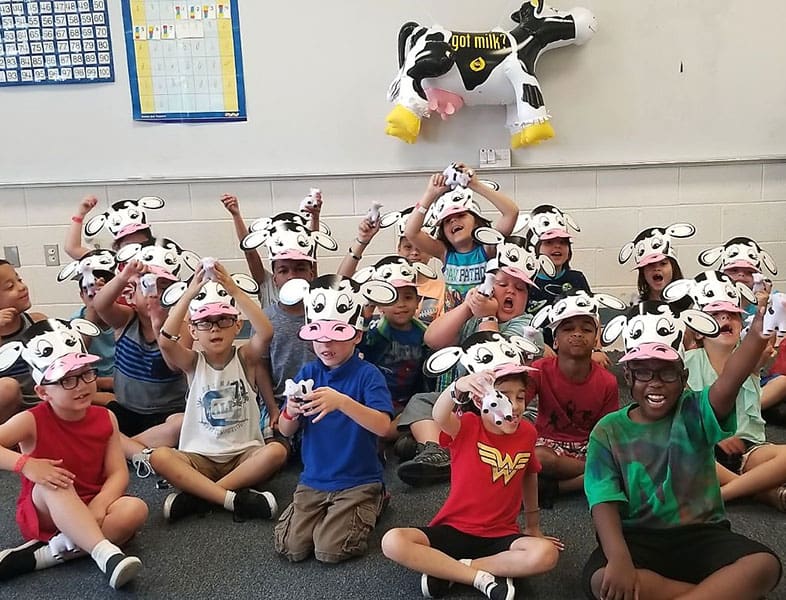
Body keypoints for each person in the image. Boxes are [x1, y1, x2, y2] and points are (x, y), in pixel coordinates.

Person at [582, 307, 782, 600]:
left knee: (765, 566)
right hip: (637, 538)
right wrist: (619, 558)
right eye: (642, 372)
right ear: (627, 376)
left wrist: (755, 336)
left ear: (683, 376)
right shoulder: (608, 430)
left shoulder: (696, 410)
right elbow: (603, 500)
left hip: (701, 534)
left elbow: (731, 380)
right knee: (603, 582)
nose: (655, 382)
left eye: (666, 372)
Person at [382, 365, 562, 600]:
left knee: (546, 554)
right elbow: (439, 415)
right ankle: (480, 578)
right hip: (455, 529)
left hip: (501, 534)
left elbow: (529, 474)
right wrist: (457, 387)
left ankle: (451, 570)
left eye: (520, 397)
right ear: (480, 401)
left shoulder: (527, 433)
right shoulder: (467, 426)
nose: (515, 406)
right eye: (504, 397)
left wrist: (533, 526)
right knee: (392, 541)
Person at [0, 321, 147, 588]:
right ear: (43, 391)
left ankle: (47, 555)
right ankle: (106, 554)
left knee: (135, 510)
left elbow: (117, 473)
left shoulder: (106, 417)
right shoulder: (29, 420)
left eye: (85, 373)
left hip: (92, 501)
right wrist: (26, 464)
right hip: (46, 505)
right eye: (67, 380)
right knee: (56, 481)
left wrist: (100, 505)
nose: (80, 385)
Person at [149, 261, 287, 522]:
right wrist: (190, 292)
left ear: (237, 326)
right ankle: (231, 498)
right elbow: (166, 341)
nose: (214, 328)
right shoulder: (193, 363)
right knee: (160, 456)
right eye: (205, 323)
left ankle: (199, 497)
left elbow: (266, 331)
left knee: (276, 451)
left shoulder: (245, 358)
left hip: (242, 457)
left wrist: (232, 289)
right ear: (192, 330)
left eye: (223, 321)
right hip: (199, 457)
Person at [274, 274, 395, 563]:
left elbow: (383, 426)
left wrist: (342, 402)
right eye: (319, 335)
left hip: (358, 480)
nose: (326, 343)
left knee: (330, 550)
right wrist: (291, 409)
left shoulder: (368, 375)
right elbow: (285, 429)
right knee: (290, 548)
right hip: (314, 479)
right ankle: (334, 515)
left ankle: (376, 498)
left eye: (337, 334)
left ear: (356, 335)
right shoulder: (307, 374)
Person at [396, 257, 544, 486]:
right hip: (465, 402)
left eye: (520, 289)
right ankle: (436, 451)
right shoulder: (471, 319)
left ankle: (435, 445)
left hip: (503, 408)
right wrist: (467, 307)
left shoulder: (525, 325)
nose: (511, 291)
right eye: (502, 284)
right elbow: (432, 339)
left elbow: (495, 367)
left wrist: (488, 316)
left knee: (523, 424)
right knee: (421, 401)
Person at [685, 307, 786, 512]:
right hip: (704, 450)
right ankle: (760, 490)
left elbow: (761, 338)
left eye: (733, 315)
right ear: (698, 330)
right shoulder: (688, 362)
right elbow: (680, 412)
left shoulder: (749, 361)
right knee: (679, 452)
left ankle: (722, 494)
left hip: (747, 449)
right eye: (716, 315)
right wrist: (714, 432)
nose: (725, 317)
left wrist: (764, 307)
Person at [529, 293, 620, 508]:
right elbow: (517, 402)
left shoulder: (607, 382)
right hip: (548, 444)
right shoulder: (540, 369)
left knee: (621, 458)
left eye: (586, 329)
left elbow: (606, 431)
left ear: (595, 340)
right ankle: (593, 475)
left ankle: (558, 488)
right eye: (568, 329)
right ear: (556, 340)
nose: (578, 334)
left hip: (587, 445)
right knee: (538, 457)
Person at [92, 254, 188, 456]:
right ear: (132, 295)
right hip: (126, 407)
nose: (154, 294)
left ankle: (118, 449)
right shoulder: (125, 320)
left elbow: (175, 366)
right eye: (147, 286)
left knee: (180, 425)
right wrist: (123, 276)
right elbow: (100, 305)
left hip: (166, 413)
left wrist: (159, 326)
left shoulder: (181, 326)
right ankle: (132, 449)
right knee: (85, 413)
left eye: (163, 287)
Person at [404, 166, 519, 310]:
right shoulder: (445, 253)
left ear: (476, 222)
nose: (453, 221)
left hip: (483, 322)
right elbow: (411, 232)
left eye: (461, 215)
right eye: (447, 220)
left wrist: (475, 185)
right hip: (455, 325)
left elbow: (511, 213)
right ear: (443, 231)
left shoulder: (488, 248)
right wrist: (430, 194)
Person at [356, 256, 436, 438]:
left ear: (418, 302)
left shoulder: (425, 333)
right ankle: (393, 437)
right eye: (393, 299)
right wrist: (367, 312)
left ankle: (401, 436)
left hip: (408, 402)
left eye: (408, 297)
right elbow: (359, 343)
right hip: (377, 400)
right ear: (381, 306)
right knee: (374, 428)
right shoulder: (377, 331)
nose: (401, 304)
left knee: (419, 415)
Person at [0, 260, 47, 424]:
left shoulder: (38, 321)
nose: (21, 287)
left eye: (19, 280)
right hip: (10, 415)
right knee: (8, 388)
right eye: (9, 287)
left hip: (42, 405)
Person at [64, 196, 155, 260]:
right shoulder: (111, 264)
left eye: (142, 244)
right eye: (128, 245)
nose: (136, 249)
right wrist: (80, 214)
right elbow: (72, 249)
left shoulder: (159, 262)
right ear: (118, 247)